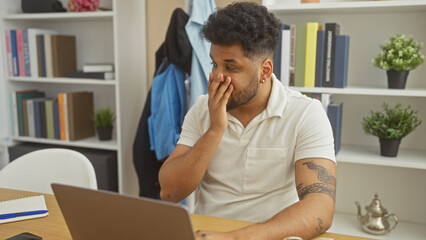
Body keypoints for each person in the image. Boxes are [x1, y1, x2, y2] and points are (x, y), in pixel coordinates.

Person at [159, 2, 337, 239]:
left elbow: (320, 209)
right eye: (214, 63)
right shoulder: (203, 108)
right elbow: (170, 192)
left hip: (271, 235)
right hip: (209, 232)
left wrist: (237, 238)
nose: (216, 77)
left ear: (265, 70)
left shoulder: (306, 114)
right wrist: (215, 130)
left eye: (230, 67)